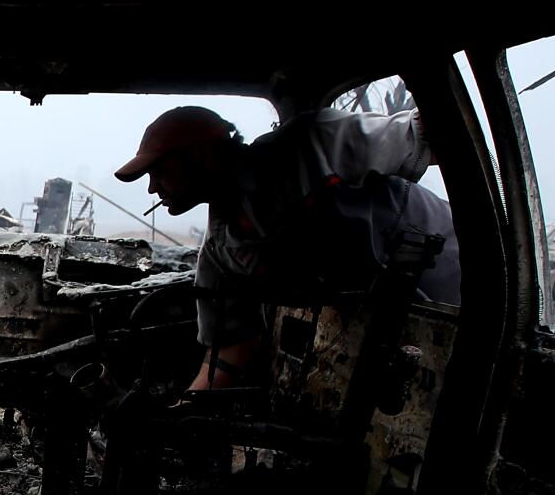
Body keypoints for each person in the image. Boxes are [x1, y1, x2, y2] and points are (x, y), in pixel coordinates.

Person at [116, 104, 461, 390]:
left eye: (159, 171)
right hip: (405, 337)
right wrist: (184, 412)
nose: (151, 189)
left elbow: (423, 134)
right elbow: (232, 347)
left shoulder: (309, 146)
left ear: (199, 156)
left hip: (466, 282)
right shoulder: (221, 254)